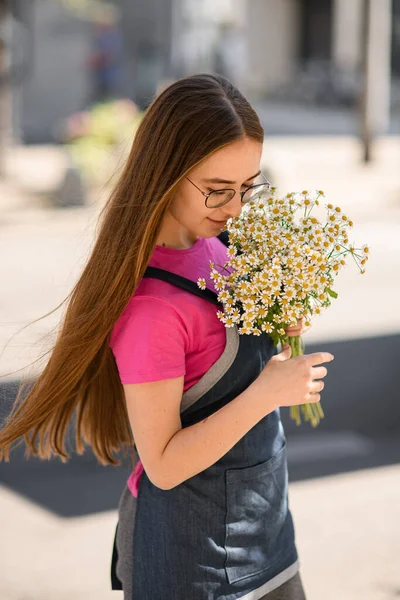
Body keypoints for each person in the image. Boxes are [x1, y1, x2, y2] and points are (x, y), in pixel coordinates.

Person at [0, 74, 334, 599]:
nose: (236, 210)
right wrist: (267, 393)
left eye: (248, 188)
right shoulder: (151, 309)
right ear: (166, 173)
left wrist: (278, 324)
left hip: (270, 535)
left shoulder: (220, 243)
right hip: (191, 562)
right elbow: (163, 463)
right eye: (218, 191)